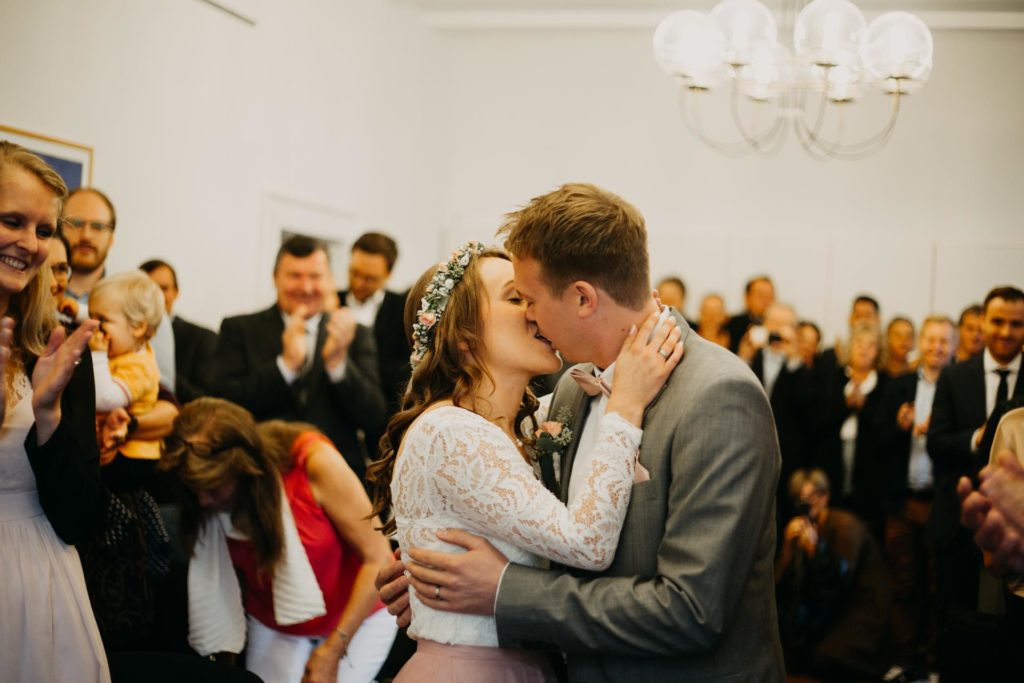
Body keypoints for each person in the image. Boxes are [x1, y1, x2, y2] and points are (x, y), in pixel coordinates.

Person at [378, 183, 784, 681]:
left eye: (528, 299)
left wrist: (503, 590)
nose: (528, 314)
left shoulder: (718, 396)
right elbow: (532, 522)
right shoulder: (570, 394)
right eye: (517, 300)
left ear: (583, 299)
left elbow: (691, 610)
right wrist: (431, 574)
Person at [367, 242, 682, 681]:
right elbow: (587, 543)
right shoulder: (450, 433)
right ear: (463, 335)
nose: (536, 311)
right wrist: (626, 405)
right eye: (517, 299)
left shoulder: (535, 421)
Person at [161, 398, 397, 683]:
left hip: (358, 617)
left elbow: (379, 558)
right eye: (194, 490)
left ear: (246, 472)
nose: (203, 501)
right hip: (275, 621)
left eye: (212, 489)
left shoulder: (312, 461)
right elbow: (226, 592)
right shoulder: (202, 502)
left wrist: (333, 649)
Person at [0, 140, 108, 681]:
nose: (29, 244)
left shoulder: (57, 347)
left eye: (44, 230)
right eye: (12, 221)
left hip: (39, 586)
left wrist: (47, 419)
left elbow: (80, 518)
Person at [211, 235, 386, 484]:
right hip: (261, 475)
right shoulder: (239, 329)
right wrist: (286, 367)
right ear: (275, 278)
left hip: (338, 479)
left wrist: (338, 364)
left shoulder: (356, 334)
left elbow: (374, 416)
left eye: (315, 277)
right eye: (295, 276)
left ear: (329, 281)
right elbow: (223, 406)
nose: (306, 288)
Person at [927, 285, 1024, 677]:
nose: (1005, 331)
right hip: (958, 520)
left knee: (1005, 635)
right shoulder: (955, 374)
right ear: (982, 322)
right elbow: (935, 441)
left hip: (1016, 535)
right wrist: (977, 438)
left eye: (1016, 324)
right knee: (956, 623)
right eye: (997, 321)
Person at [874, 315, 955, 678]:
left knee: (938, 585)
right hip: (902, 501)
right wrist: (899, 427)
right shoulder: (900, 385)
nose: (936, 346)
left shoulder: (958, 386)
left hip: (940, 501)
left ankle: (933, 663)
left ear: (952, 346)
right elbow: (876, 439)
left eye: (944, 341)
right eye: (931, 339)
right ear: (921, 342)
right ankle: (902, 660)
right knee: (903, 583)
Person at [775, 469, 890, 681]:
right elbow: (783, 587)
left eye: (811, 498)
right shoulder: (802, 529)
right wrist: (787, 551)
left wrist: (816, 549)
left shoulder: (844, 526)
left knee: (826, 656)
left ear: (825, 496)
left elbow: (840, 582)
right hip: (829, 615)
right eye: (799, 499)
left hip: (860, 614)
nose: (806, 505)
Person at [62, 187, 176, 390]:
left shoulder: (142, 305)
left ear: (112, 237)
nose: (86, 234)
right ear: (58, 228)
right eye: (76, 223)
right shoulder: (36, 294)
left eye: (98, 226)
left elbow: (164, 394)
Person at [739, 303, 817, 533]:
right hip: (748, 447)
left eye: (787, 325)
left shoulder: (800, 365)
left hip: (787, 452)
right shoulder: (753, 355)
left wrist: (794, 359)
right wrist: (745, 354)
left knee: (782, 514)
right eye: (775, 324)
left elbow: (807, 409)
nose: (779, 331)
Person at [815, 321, 889, 538]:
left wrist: (863, 407)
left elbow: (883, 430)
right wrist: (845, 405)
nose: (864, 348)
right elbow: (819, 421)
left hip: (869, 477)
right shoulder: (834, 377)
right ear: (850, 346)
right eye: (858, 342)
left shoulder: (885, 383)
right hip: (832, 468)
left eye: (871, 344)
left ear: (878, 351)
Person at [338, 232, 410, 413]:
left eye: (370, 278)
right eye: (354, 273)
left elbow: (407, 369)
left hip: (384, 416)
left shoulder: (403, 309)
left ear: (388, 275)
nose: (358, 283)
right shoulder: (331, 302)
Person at [140, 258, 217, 403]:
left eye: (163, 288)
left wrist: (158, 370)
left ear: (176, 292)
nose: (157, 296)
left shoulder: (203, 338)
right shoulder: (119, 336)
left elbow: (207, 400)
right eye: (148, 290)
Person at [726, 274, 774, 353]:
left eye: (769, 295)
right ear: (747, 298)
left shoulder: (780, 325)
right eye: (761, 295)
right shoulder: (734, 324)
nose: (766, 300)